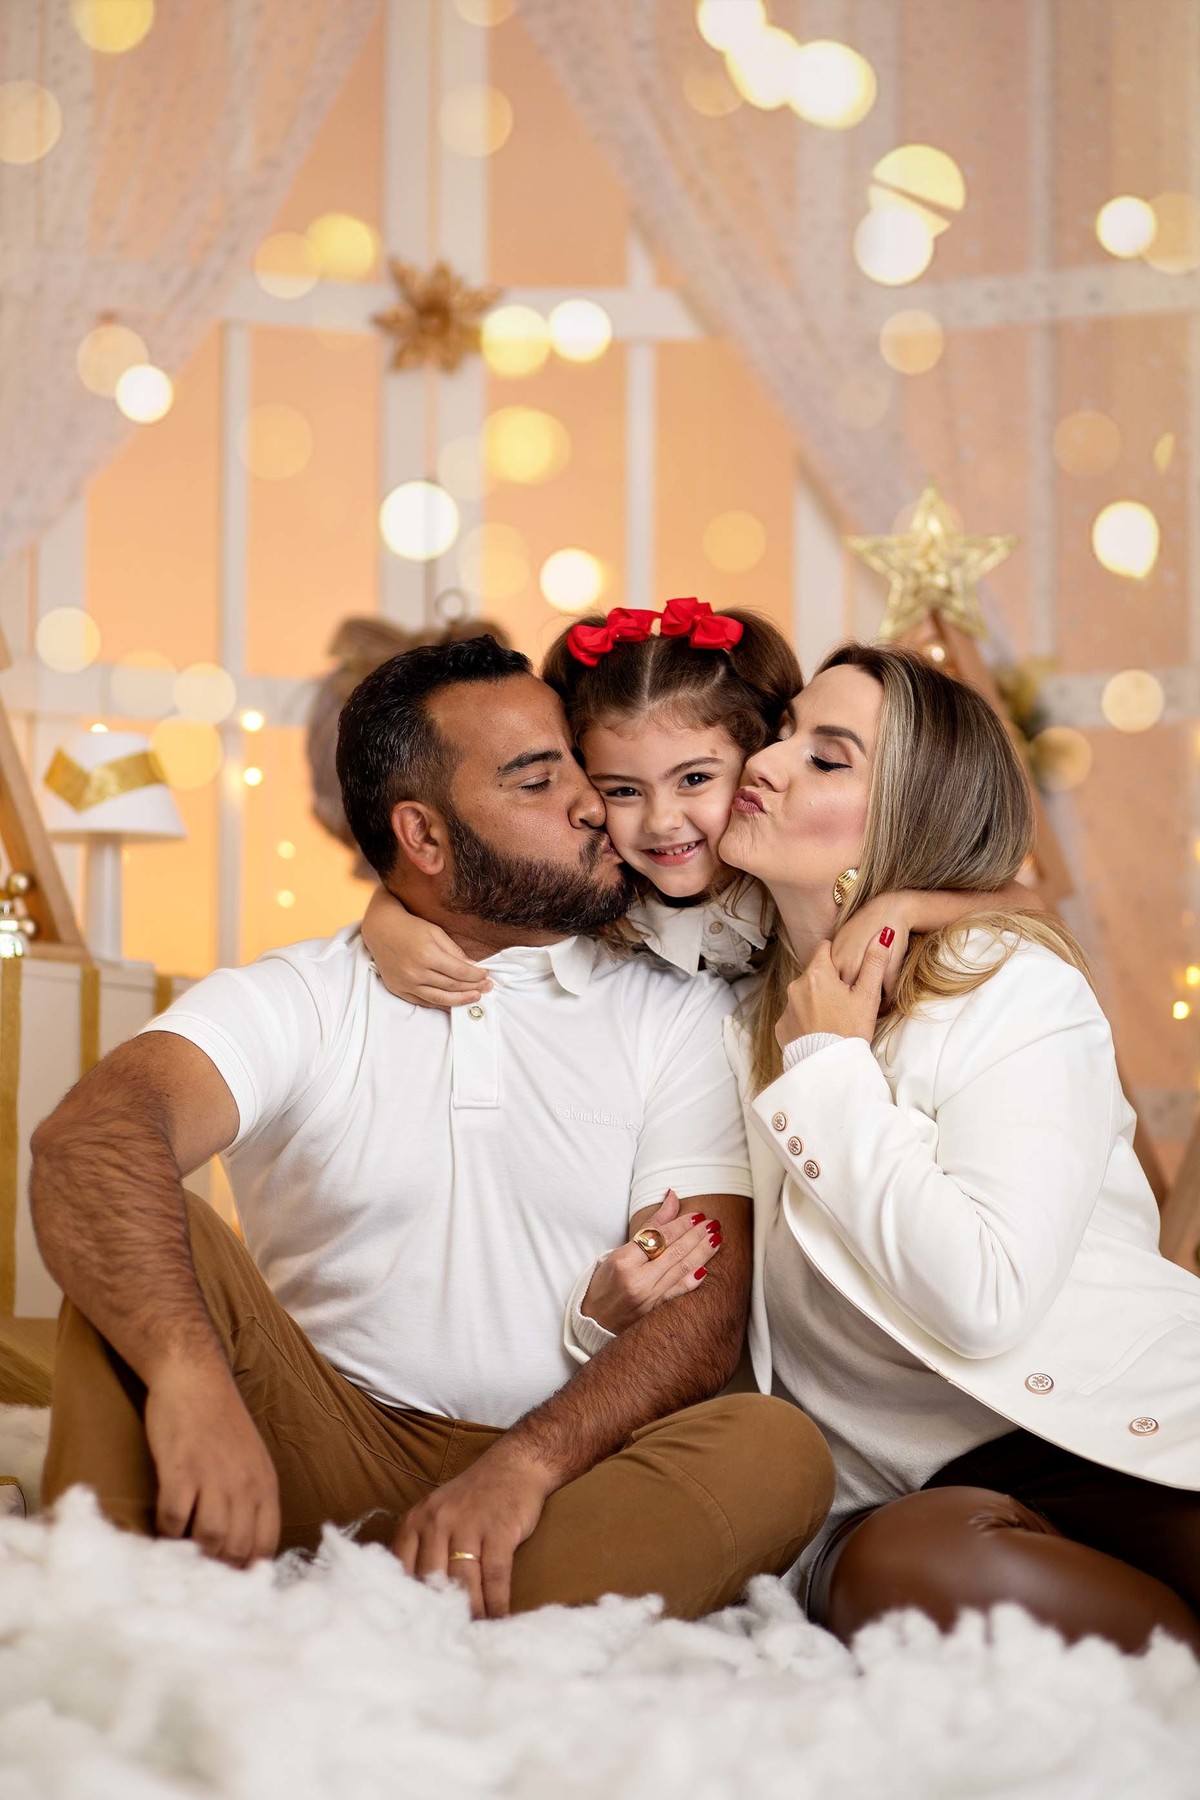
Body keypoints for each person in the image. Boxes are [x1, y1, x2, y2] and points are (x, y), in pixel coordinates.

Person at [30, 635, 835, 1622]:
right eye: (539, 781)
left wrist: (524, 1465)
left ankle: (374, 1631)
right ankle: (108, 1628)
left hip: (565, 1474)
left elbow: (702, 1311)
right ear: (424, 835)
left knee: (775, 1448)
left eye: (578, 767)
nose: (593, 803)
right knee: (152, 1233)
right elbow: (95, 1138)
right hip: (317, 1442)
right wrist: (189, 1382)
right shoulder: (303, 995)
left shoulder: (678, 1007)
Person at [712, 641, 1200, 1653]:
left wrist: (833, 1069)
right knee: (899, 1580)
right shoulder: (724, 1017)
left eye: (827, 757)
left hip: (1123, 1433)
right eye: (783, 732)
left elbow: (986, 1298)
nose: (766, 761)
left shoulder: (1008, 989)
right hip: (917, 1502)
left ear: (910, 819)